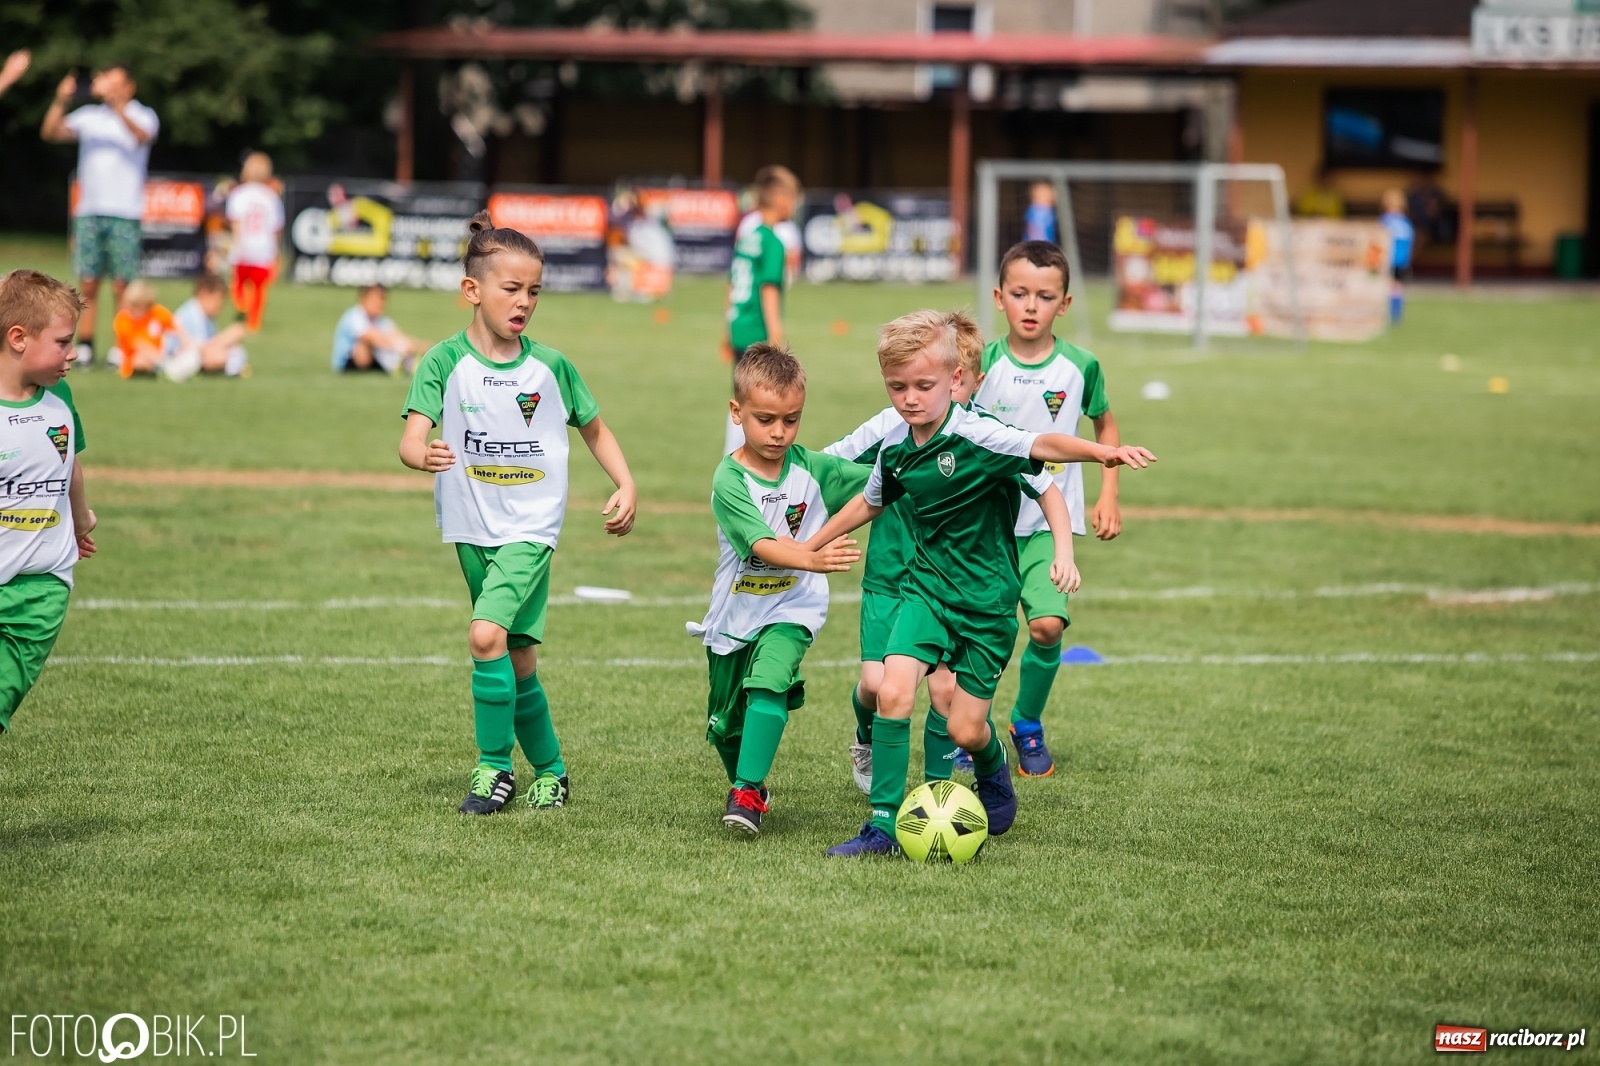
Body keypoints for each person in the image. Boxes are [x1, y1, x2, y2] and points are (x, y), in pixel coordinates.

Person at [801, 309, 1155, 857]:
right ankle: (882, 826)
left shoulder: (981, 434)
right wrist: (811, 545)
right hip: (926, 592)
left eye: (924, 386)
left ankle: (991, 770)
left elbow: (1047, 462)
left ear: (955, 381)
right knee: (894, 691)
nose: (910, 398)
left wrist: (1100, 456)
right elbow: (869, 503)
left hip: (987, 605)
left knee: (966, 728)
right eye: (898, 387)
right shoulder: (896, 450)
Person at [399, 210, 638, 816]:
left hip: (531, 531)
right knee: (518, 658)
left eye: (534, 290)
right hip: (469, 528)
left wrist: (625, 482)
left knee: (485, 636)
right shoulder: (442, 362)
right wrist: (418, 453)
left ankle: (493, 769)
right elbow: (412, 436)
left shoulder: (550, 368)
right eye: (512, 289)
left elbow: (595, 428)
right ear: (472, 291)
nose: (525, 301)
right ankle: (552, 771)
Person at [824, 311, 1067, 793]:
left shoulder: (980, 436)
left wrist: (1062, 546)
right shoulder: (891, 429)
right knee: (876, 687)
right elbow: (832, 467)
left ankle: (935, 795)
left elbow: (1040, 476)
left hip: (943, 584)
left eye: (956, 388)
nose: (921, 398)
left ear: (968, 382)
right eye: (902, 387)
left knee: (942, 692)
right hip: (890, 572)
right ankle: (866, 739)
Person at [691, 343, 866, 837]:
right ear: (736, 412)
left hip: (794, 606)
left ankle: (746, 790)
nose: (779, 432)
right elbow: (763, 545)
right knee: (726, 726)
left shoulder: (813, 469)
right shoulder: (729, 479)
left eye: (791, 420)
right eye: (765, 419)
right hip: (735, 615)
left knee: (768, 682)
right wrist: (812, 556)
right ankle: (750, 784)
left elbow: (880, 483)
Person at [974, 240, 1123, 778]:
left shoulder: (1081, 365)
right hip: (984, 527)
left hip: (1047, 527)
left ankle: (1027, 721)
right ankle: (972, 730)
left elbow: (1104, 425)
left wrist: (1109, 493)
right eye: (1019, 294)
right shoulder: (981, 363)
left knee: (1047, 627)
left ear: (1064, 303)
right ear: (999, 297)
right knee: (985, 633)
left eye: (1044, 296)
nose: (1030, 306)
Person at [0, 269, 96, 734]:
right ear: (18, 338)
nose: (73, 352)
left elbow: (69, 462)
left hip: (40, 589)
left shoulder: (58, 397)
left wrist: (81, 518)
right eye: (62, 342)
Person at [40, 64, 159, 369]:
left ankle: (123, 346)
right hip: (90, 210)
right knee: (88, 281)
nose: (107, 86)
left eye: (115, 82)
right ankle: (87, 345)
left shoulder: (142, 114)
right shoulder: (91, 116)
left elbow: (142, 136)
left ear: (129, 87)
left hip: (125, 211)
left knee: (123, 283)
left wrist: (118, 105)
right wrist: (62, 99)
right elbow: (51, 132)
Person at [722, 166, 799, 453]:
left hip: (738, 325)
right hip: (757, 329)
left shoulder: (748, 235)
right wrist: (775, 334)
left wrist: (725, 328)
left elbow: (731, 284)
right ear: (781, 200)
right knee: (757, 402)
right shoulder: (773, 242)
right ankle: (738, 460)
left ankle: (735, 456)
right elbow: (768, 289)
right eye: (793, 198)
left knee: (742, 395)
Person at [225, 152, 284, 333]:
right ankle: (254, 321)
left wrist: (236, 245)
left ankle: (242, 307)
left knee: (239, 283)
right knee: (259, 288)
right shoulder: (271, 197)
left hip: (244, 245)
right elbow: (276, 228)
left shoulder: (238, 194)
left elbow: (235, 223)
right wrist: (275, 251)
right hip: (264, 247)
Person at [332, 285, 425, 373]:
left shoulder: (381, 320)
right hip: (347, 363)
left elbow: (397, 335)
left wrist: (420, 346)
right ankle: (400, 365)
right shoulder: (354, 316)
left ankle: (404, 365)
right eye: (376, 300)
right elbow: (371, 337)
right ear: (363, 299)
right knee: (364, 344)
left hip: (373, 359)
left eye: (383, 299)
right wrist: (400, 346)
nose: (380, 303)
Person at [171, 273, 249, 379]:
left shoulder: (206, 317)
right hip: (177, 357)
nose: (220, 306)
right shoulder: (190, 315)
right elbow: (202, 349)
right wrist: (226, 337)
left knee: (235, 351)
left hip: (194, 355)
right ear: (204, 295)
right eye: (218, 301)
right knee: (220, 356)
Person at [110, 280, 188, 378]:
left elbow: (177, 327)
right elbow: (137, 344)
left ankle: (168, 366)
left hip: (161, 353)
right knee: (139, 361)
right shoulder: (122, 320)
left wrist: (185, 346)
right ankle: (165, 368)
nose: (133, 310)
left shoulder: (157, 312)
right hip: (133, 359)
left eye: (137, 306)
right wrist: (162, 360)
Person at [1380, 188, 1415, 324]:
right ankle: (1396, 314)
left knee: (1386, 286)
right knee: (1397, 287)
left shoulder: (1384, 221)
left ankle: (1388, 314)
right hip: (1402, 261)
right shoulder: (1406, 223)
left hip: (1387, 260)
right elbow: (1410, 242)